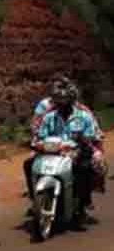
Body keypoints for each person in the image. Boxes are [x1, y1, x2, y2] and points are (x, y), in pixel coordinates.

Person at [33, 82, 105, 220]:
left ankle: (83, 201)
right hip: (52, 152)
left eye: (64, 102)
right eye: (58, 102)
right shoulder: (49, 117)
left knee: (84, 168)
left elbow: (91, 135)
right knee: (29, 164)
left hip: (77, 151)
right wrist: (38, 144)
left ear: (71, 101)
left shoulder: (84, 116)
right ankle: (35, 198)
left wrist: (83, 139)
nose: (61, 105)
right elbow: (40, 135)